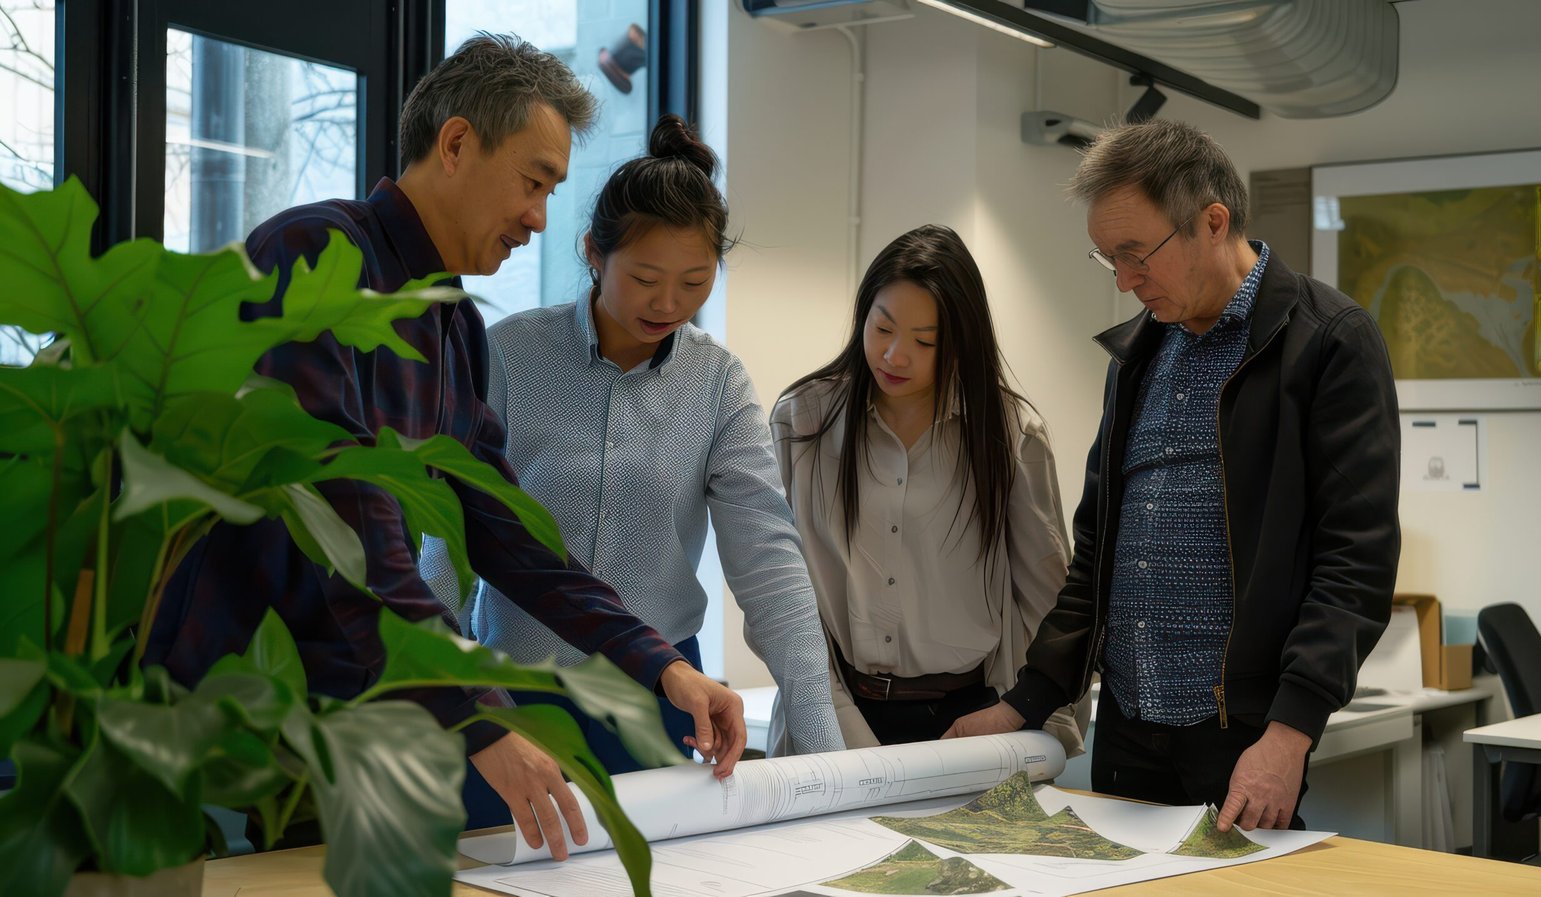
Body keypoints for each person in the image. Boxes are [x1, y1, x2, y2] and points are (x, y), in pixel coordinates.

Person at [145, 34, 745, 860]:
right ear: (457, 143)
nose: (540, 217)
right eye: (533, 182)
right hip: (224, 719)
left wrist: (661, 663)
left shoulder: (453, 324)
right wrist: (477, 716)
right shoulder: (317, 255)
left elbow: (507, 529)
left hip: (354, 723)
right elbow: (346, 522)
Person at [945, 119, 1400, 834]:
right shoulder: (1138, 358)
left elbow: (1356, 560)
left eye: (1136, 255)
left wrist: (1290, 733)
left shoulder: (1327, 342)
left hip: (1241, 734)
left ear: (1212, 222)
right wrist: (1026, 701)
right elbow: (1096, 555)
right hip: (1128, 724)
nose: (1124, 281)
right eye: (1109, 260)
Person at [419, 114, 845, 766]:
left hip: (659, 694)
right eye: (645, 279)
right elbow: (446, 530)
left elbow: (769, 563)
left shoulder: (717, 383)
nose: (668, 303)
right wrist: (437, 688)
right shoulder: (506, 355)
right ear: (594, 252)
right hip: (515, 692)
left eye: (695, 282)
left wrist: (825, 750)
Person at [771, 224, 1086, 752]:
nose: (895, 356)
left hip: (971, 720)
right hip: (837, 710)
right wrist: (842, 730)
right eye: (882, 328)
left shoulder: (1008, 433)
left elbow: (1046, 596)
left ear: (962, 344)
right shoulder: (805, 422)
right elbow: (779, 591)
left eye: (924, 342)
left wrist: (1041, 724)